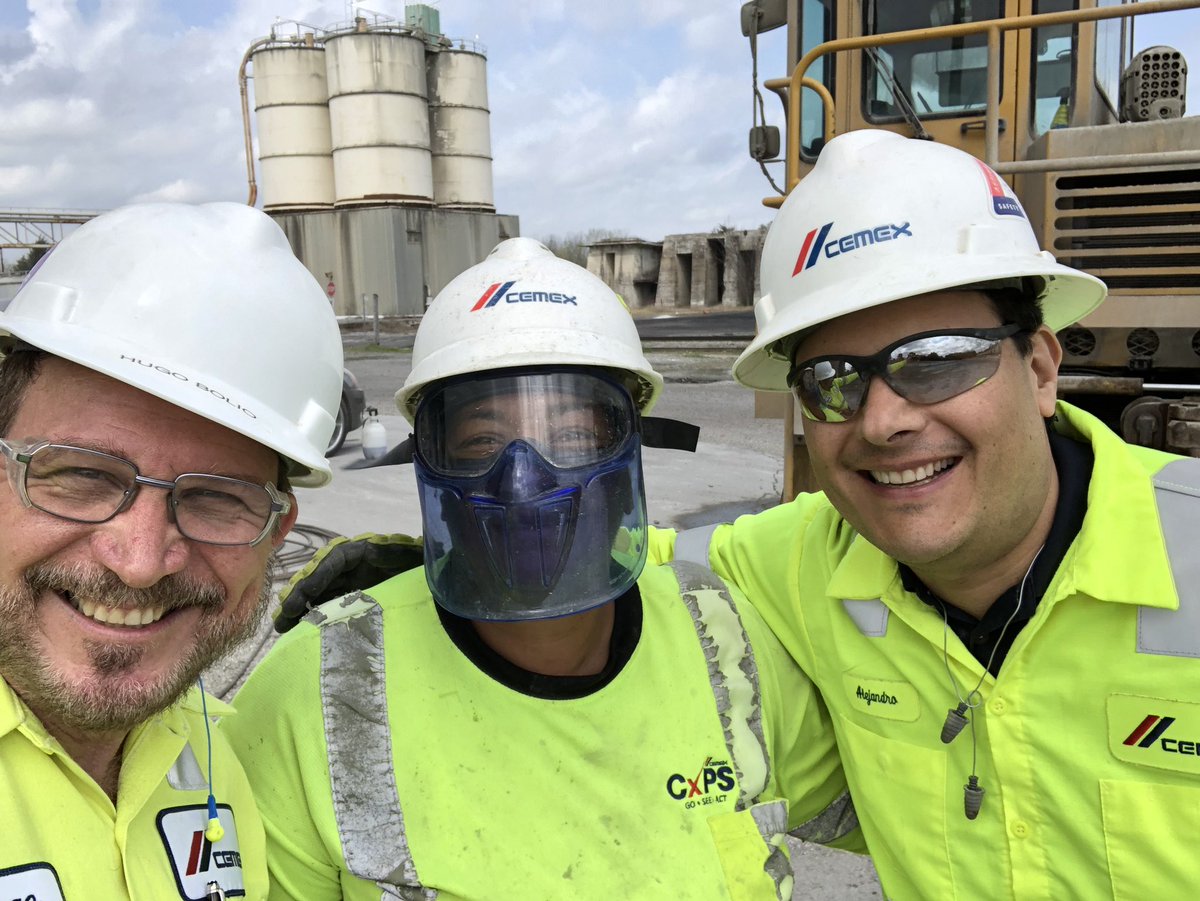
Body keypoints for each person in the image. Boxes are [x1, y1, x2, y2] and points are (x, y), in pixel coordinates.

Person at [222, 238, 862, 900]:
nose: (524, 480)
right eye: (480, 442)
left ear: (629, 454)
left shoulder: (726, 639)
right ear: (430, 461)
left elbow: (916, 816)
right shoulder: (316, 691)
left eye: (575, 434)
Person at [668, 129, 1200, 898]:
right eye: (833, 380)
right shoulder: (806, 562)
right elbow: (627, 560)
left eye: (938, 358)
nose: (882, 422)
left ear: (1042, 368)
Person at [0, 202, 344, 901]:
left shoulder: (210, 756)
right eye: (84, 475)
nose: (140, 559)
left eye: (217, 498)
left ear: (276, 535)